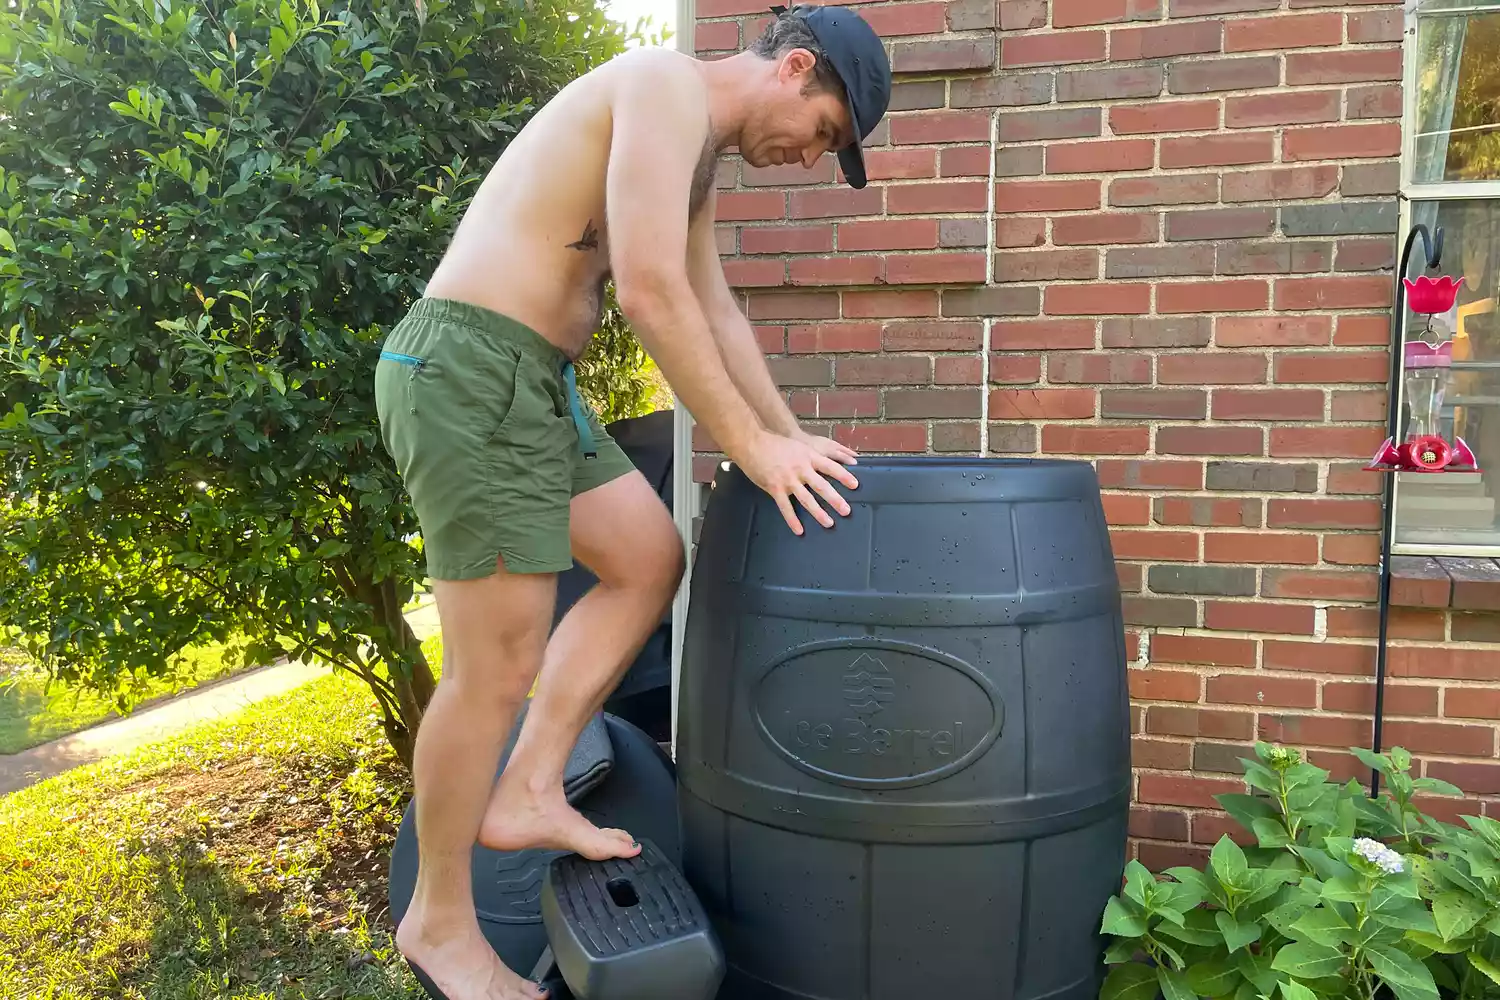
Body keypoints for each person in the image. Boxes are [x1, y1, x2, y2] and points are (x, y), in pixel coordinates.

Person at [372, 5, 892, 999]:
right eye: (826, 131)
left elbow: (715, 307)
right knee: (496, 659)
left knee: (648, 558)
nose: (811, 157)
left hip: (530, 379)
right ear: (793, 69)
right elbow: (652, 294)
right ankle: (438, 920)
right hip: (468, 367)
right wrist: (749, 449)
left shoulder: (692, 150)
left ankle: (529, 785)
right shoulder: (662, 88)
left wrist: (784, 437)